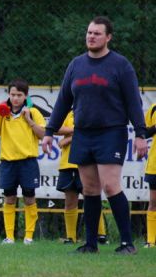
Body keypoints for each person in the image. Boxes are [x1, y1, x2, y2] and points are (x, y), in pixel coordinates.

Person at [42, 16, 147, 254]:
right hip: (83, 133)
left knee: (110, 186)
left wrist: (140, 134)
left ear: (108, 37)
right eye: (89, 32)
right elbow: (63, 101)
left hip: (111, 132)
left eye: (97, 33)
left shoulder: (120, 65)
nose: (91, 36)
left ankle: (127, 243)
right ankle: (90, 244)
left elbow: (133, 102)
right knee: (89, 189)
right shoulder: (76, 65)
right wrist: (49, 132)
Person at [0, 79, 45, 245]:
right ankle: (9, 237)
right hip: (8, 163)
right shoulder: (3, 114)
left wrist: (29, 120)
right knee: (9, 198)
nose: (15, 98)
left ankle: (28, 237)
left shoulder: (33, 112)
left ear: (25, 96)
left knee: (29, 197)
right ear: (8, 95)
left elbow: (43, 134)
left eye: (19, 95)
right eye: (13, 94)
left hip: (28, 162)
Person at [56, 112, 108, 245]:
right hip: (67, 164)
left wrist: (67, 139)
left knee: (91, 198)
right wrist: (76, 130)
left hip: (87, 162)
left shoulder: (92, 111)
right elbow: (57, 128)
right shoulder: (68, 113)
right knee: (70, 201)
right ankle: (71, 237)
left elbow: (91, 132)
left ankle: (100, 234)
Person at [143, 103, 156, 248]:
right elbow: (145, 133)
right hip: (154, 164)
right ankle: (151, 241)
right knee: (153, 202)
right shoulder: (153, 108)